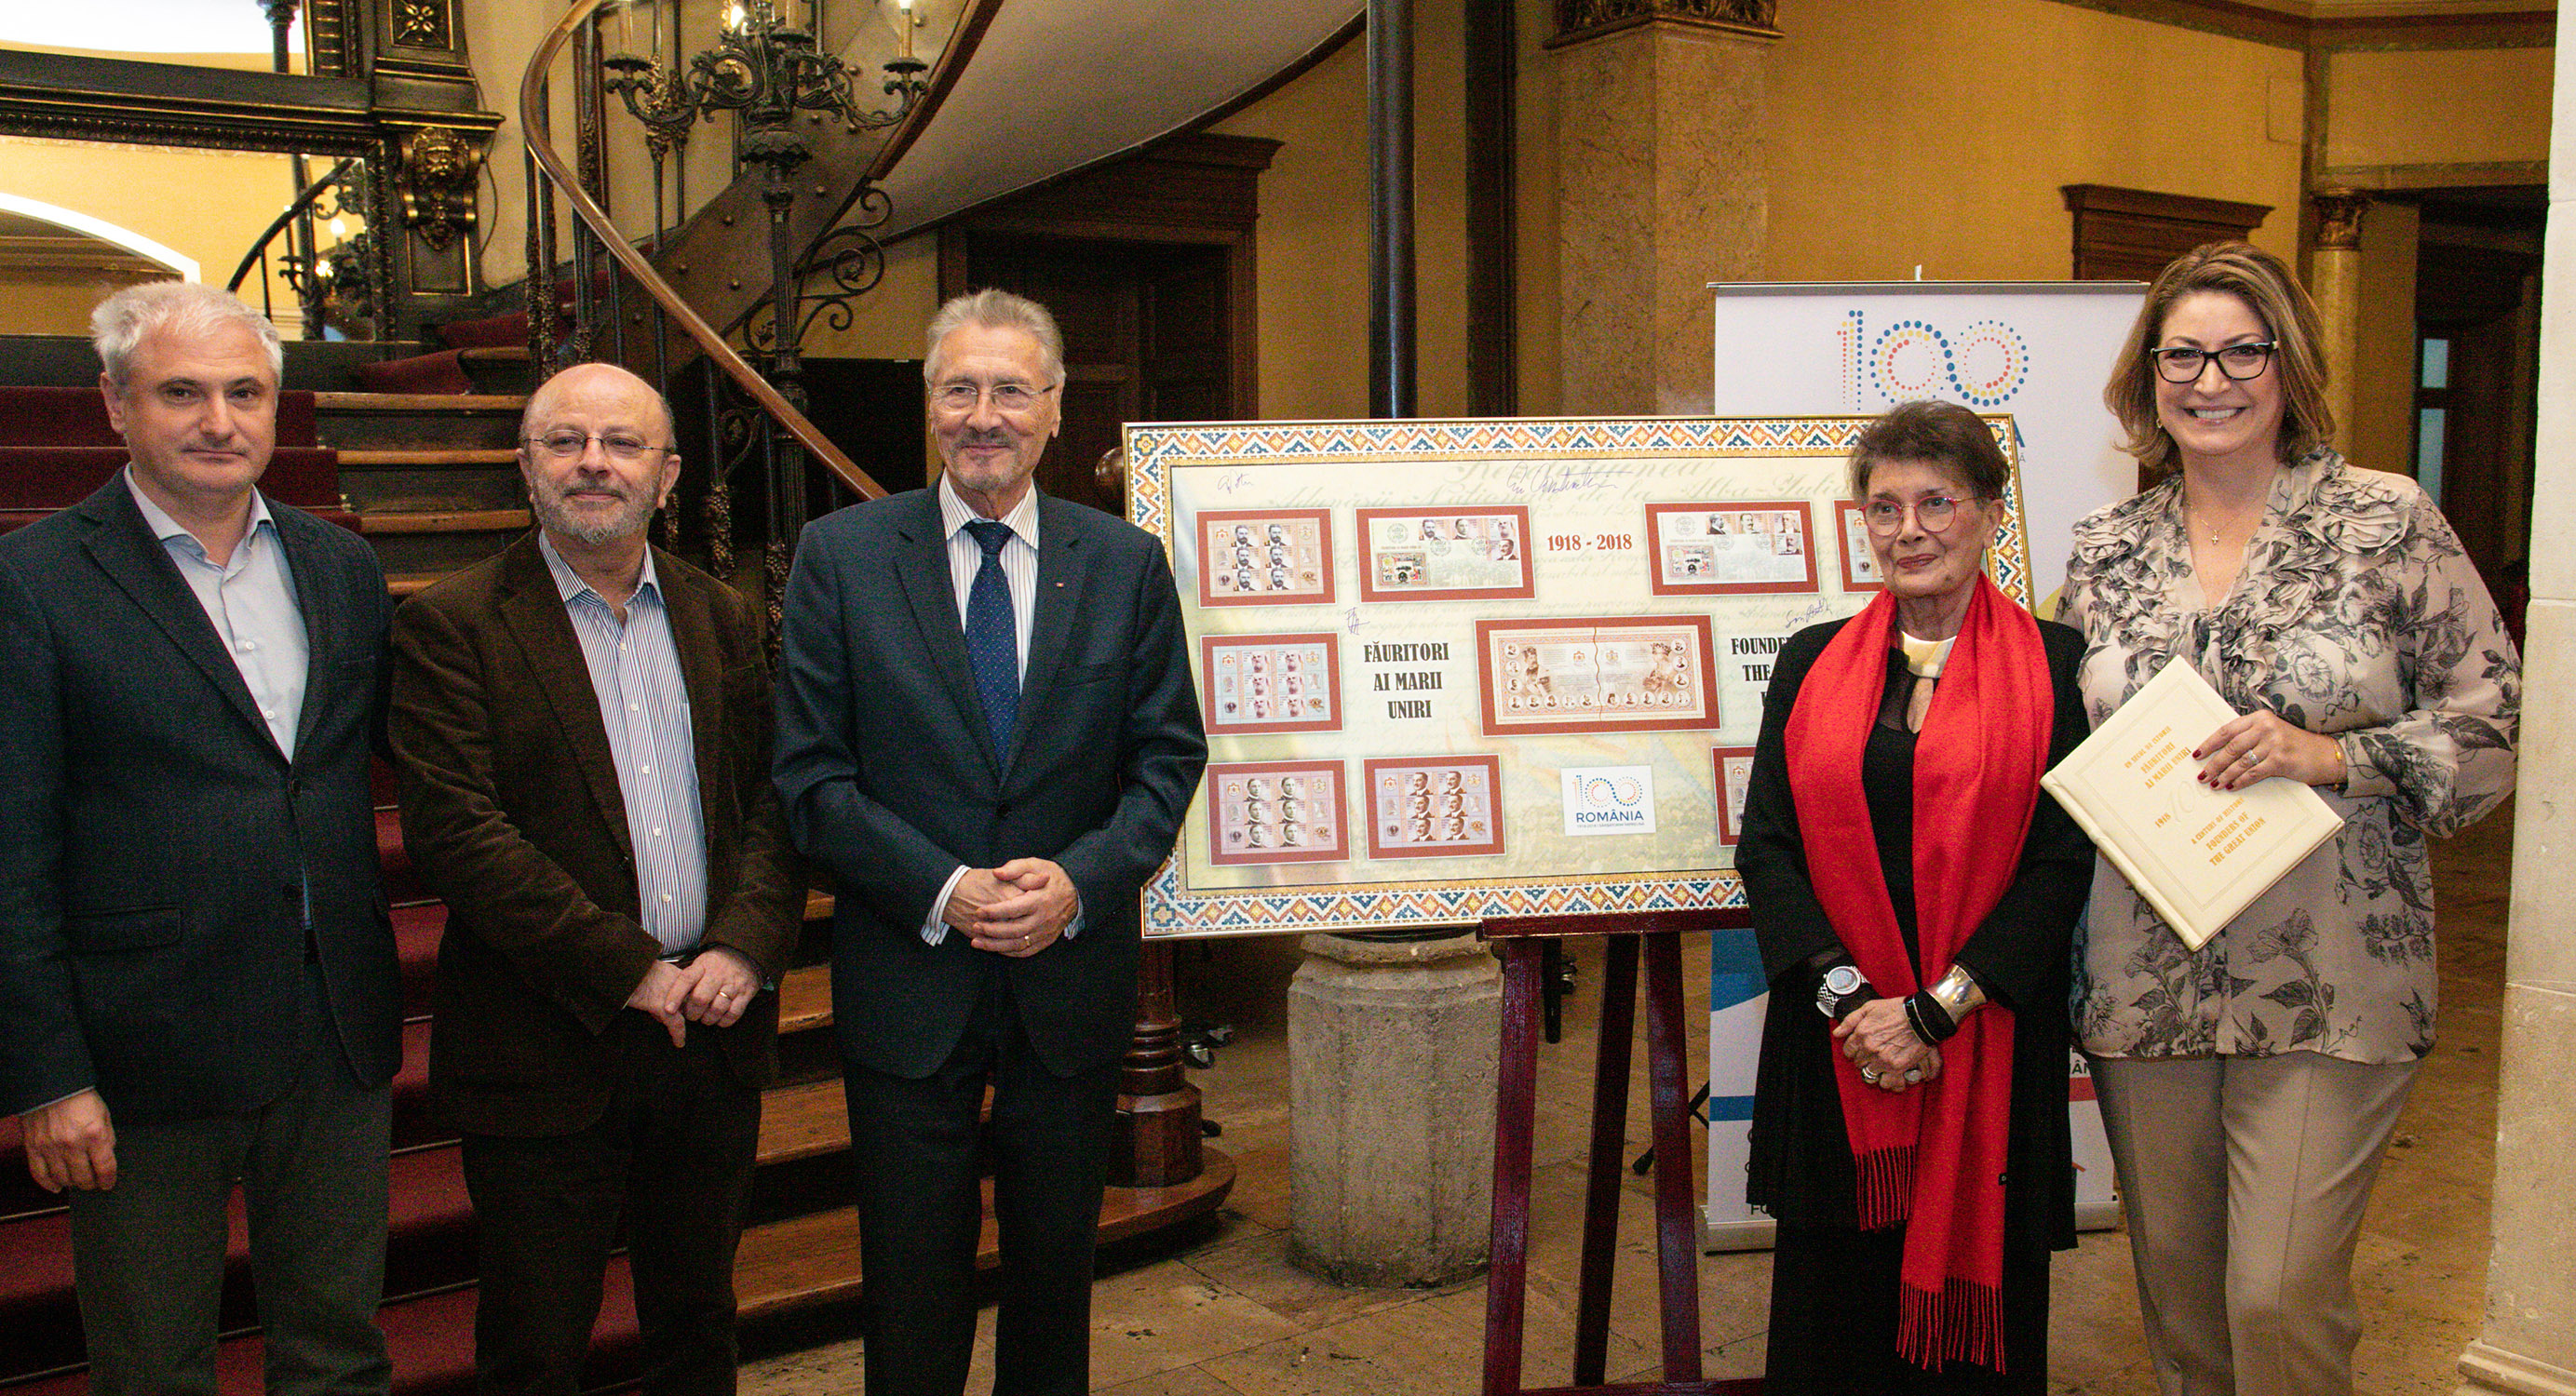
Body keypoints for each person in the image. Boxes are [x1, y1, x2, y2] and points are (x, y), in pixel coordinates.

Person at [2060, 241, 2519, 1396]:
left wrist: (2337, 755)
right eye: (2181, 356)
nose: (2209, 381)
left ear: (2289, 365)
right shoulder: (2104, 550)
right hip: (2141, 976)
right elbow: (2053, 736)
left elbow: (2498, 718)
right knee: (2182, 1306)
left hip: (2333, 972)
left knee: (2276, 1299)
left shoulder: (2385, 519)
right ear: (2147, 376)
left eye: (2241, 352)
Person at [773, 289, 1206, 1396]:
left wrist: (1079, 881)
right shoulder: (839, 556)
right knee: (910, 1280)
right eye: (958, 388)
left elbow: (1166, 759)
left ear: (1054, 409)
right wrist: (944, 888)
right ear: (927, 406)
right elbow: (811, 776)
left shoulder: (1124, 563)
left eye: (1011, 390)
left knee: (1055, 1279)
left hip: (1069, 982)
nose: (983, 415)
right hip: (906, 979)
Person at [0, 281, 399, 1393]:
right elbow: (10, 849)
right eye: (182, 393)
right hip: (143, 1046)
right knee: (152, 1368)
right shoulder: (32, 582)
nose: (220, 422)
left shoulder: (340, 565)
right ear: (114, 404)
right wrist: (48, 1075)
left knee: (338, 1354)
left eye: (245, 393)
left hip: (332, 1027)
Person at [389, 363, 805, 1396]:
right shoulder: (452, 623)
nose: (593, 463)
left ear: (668, 476)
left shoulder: (721, 613)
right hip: (543, 1040)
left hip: (708, 1032)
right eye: (564, 441)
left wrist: (743, 946)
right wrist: (628, 967)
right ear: (525, 466)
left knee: (697, 1324)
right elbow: (458, 833)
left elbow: (772, 799)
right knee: (535, 1346)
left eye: (622, 444)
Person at [1737, 400, 2092, 1392]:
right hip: (1838, 1040)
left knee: (1978, 1352)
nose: (1909, 530)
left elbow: (2063, 861)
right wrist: (1853, 1002)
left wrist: (1935, 1011)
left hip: (1986, 1033)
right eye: (1884, 507)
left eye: (1937, 502)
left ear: (1989, 513)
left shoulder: (2058, 667)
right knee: (1831, 1325)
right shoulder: (1810, 660)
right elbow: (1768, 846)